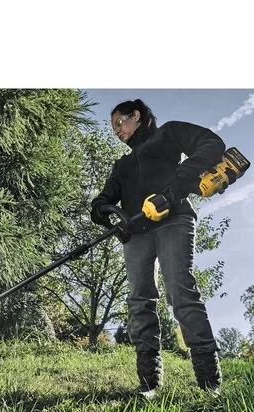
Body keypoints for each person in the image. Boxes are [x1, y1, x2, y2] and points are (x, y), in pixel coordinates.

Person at [91, 99, 225, 395]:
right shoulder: (122, 165)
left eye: (119, 123)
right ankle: (149, 383)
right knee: (139, 300)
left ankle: (209, 380)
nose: (117, 131)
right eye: (113, 128)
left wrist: (179, 183)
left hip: (173, 219)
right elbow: (106, 196)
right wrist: (100, 208)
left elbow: (211, 143)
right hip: (136, 233)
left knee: (180, 289)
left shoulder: (169, 133)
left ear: (136, 115)